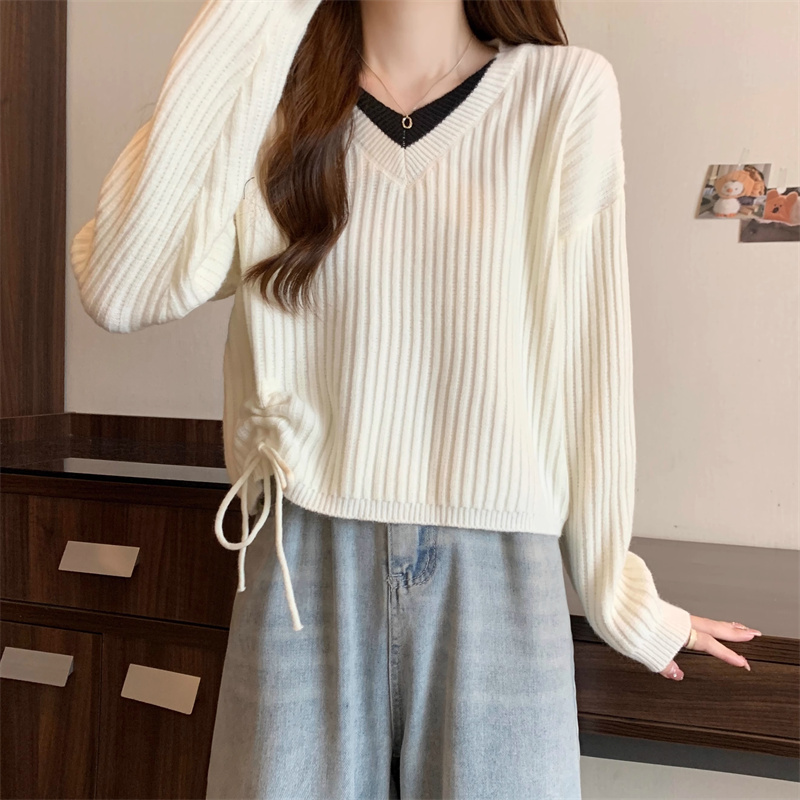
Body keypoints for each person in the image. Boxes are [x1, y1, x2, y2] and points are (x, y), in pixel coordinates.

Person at [69, 0, 761, 797]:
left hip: (497, 571)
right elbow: (120, 286)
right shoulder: (277, 98)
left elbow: (590, 359)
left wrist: (618, 598)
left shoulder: (563, 92)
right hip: (304, 557)